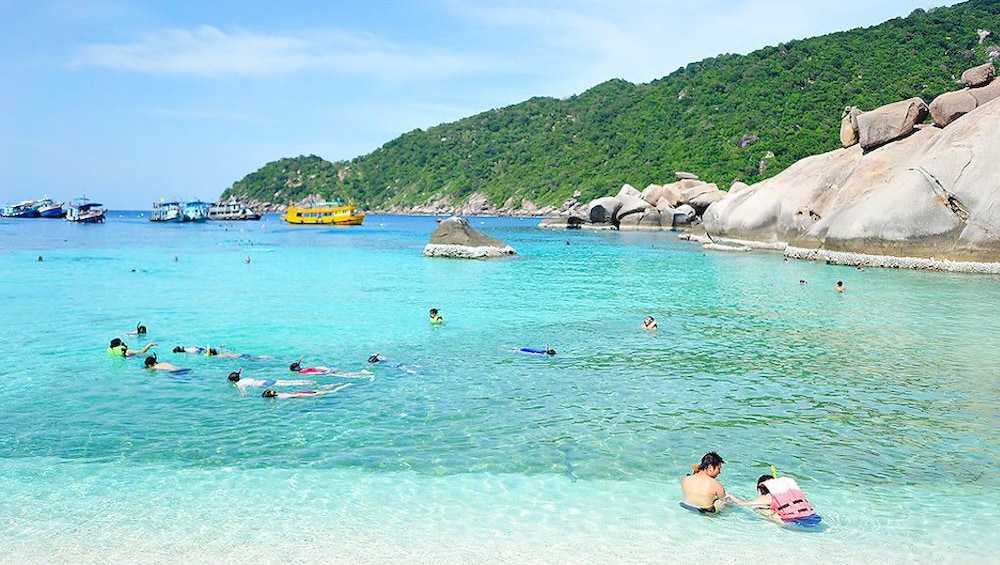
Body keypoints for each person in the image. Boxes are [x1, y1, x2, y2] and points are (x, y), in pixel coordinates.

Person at [736, 474, 821, 526]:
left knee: (759, 510)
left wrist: (728, 498)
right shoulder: (789, 494)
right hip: (814, 518)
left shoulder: (767, 497)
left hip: (796, 523)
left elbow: (742, 504)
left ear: (760, 489)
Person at [227, 368, 314, 395]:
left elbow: (243, 390)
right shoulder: (244, 379)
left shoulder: (239, 384)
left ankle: (309, 383)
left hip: (264, 385)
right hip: (267, 381)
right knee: (288, 382)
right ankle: (308, 382)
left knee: (286, 384)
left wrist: (243, 395)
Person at [262, 382, 353, 399]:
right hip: (303, 391)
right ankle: (341, 383)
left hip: (302, 393)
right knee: (325, 389)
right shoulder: (280, 394)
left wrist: (310, 396)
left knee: (331, 392)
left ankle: (346, 385)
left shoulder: (281, 396)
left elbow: (296, 396)